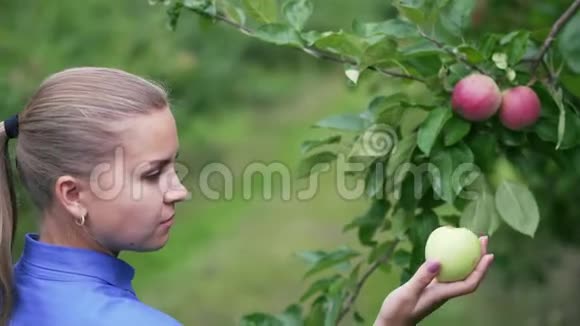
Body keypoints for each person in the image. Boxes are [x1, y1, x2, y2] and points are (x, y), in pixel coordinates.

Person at [0, 67, 494, 326]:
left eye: (175, 165)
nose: (181, 190)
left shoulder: (13, 292)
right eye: (153, 174)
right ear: (73, 194)